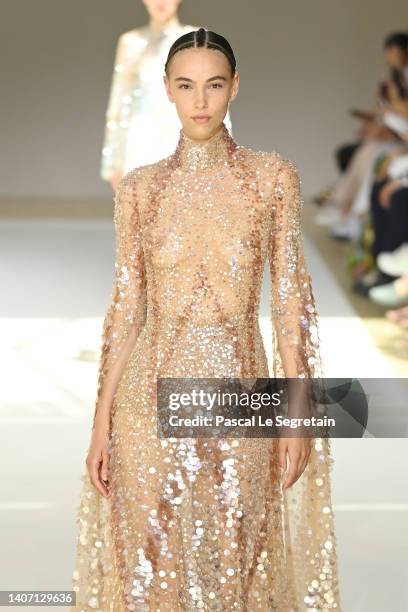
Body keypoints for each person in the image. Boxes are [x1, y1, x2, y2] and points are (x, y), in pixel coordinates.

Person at [71, 28, 342, 610]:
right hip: (146, 395)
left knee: (238, 561)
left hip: (241, 396)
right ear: (167, 90)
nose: (201, 102)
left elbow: (290, 298)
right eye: (187, 86)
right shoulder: (141, 190)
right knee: (148, 564)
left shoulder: (271, 179)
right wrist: (101, 423)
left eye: (214, 86)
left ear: (235, 88)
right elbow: (126, 309)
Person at [100, 0, 232, 191]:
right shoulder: (131, 43)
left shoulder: (197, 39)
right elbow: (118, 103)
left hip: (184, 139)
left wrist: (224, 156)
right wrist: (112, 164)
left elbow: (216, 99)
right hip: (139, 143)